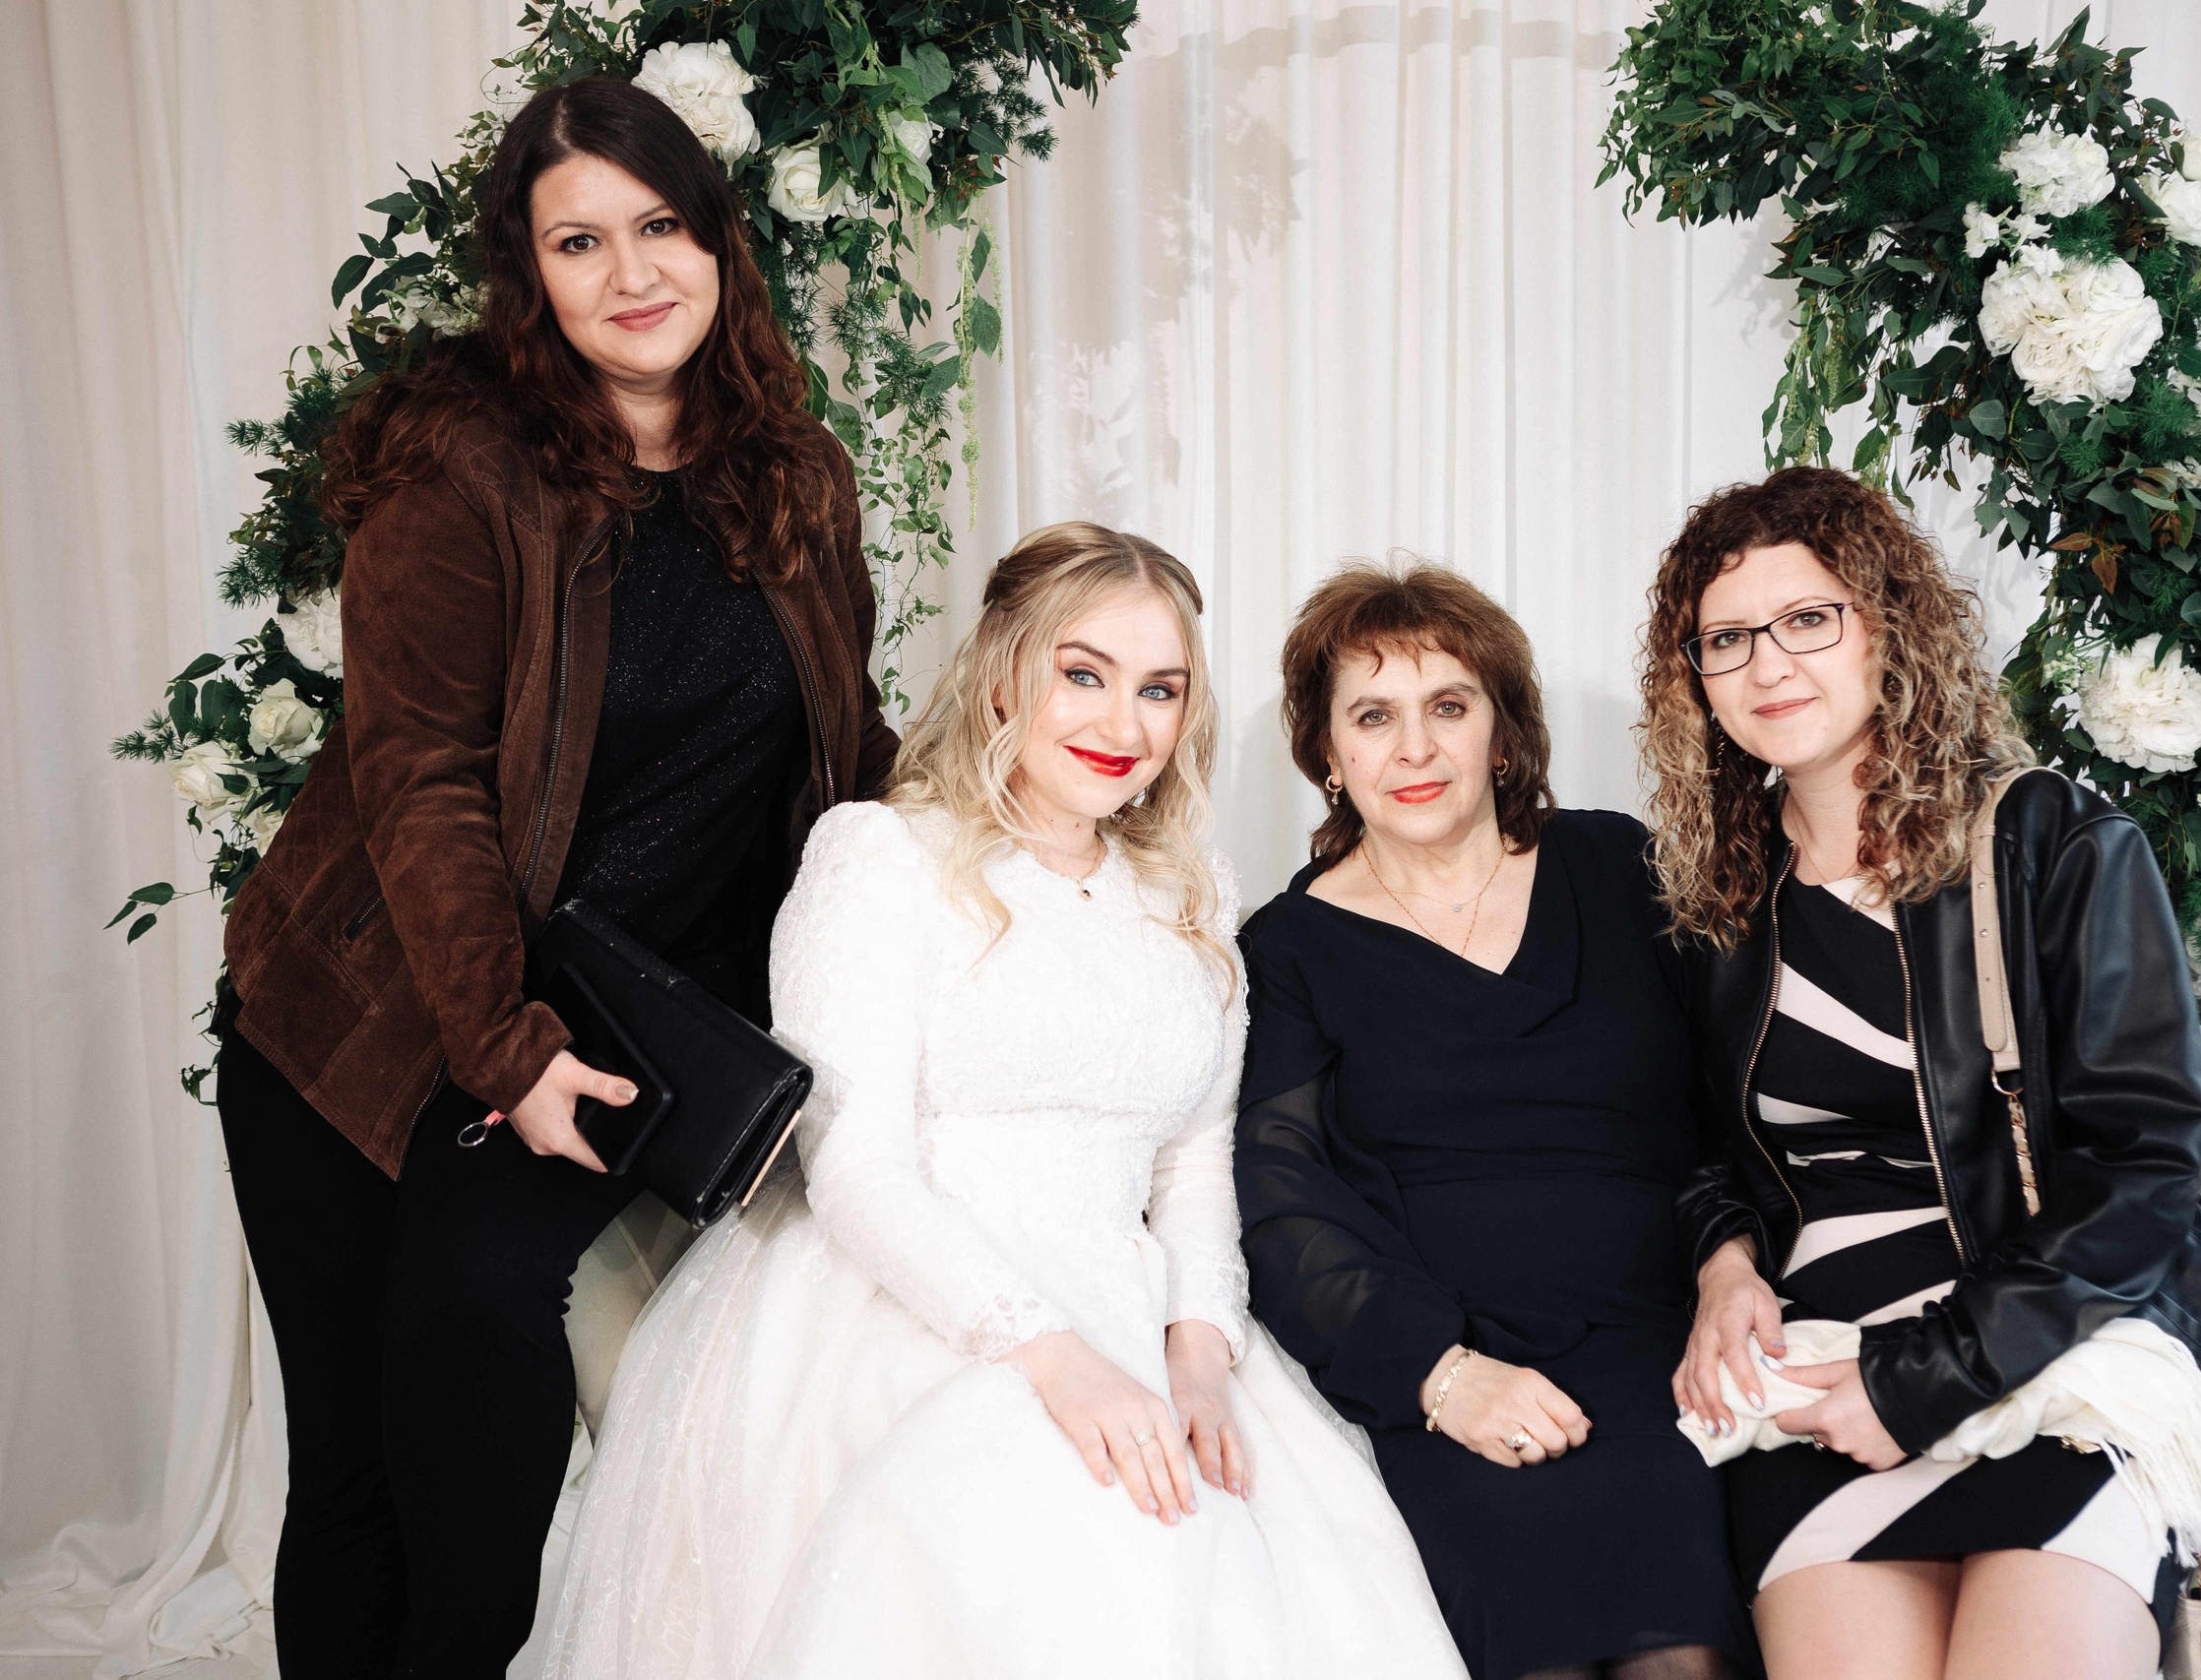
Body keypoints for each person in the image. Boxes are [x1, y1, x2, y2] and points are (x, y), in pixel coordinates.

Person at [210, 77, 898, 1675]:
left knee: (485, 1444)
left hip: (612, 1024)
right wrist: (504, 1046)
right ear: (531, 275)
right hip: (371, 1020)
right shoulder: (463, 470)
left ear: (719, 241)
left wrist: (992, 859)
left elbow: (842, 744)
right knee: (362, 1472)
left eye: (660, 225)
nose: (631, 271)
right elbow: (424, 782)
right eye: (580, 241)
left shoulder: (796, 475)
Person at [541, 523, 1468, 1680]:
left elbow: (1192, 1161)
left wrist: (1199, 1353)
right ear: (1001, 675)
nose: (1123, 727)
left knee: (1276, 1550)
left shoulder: (1189, 889)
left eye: (1159, 690)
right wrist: (1052, 1357)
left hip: (1125, 1286)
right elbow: (853, 1165)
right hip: (903, 1290)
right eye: (1083, 675)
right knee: (1067, 1537)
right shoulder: (880, 856)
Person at [1640, 467, 2201, 1680]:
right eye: (1726, 638)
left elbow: (2143, 1170)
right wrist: (1724, 1256)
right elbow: (1686, 1143)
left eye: (1807, 619)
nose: (1767, 665)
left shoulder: (2055, 842)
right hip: (1820, 1363)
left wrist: (1928, 1375)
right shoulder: (1714, 903)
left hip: (2049, 1343)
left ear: (1885, 624)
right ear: (1694, 677)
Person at [1235, 560, 1756, 1680]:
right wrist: (1439, 1376)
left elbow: (1737, 1107)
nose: (1412, 749)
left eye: (1448, 707)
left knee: (1682, 1650)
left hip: (1654, 1347)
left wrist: (1729, 1265)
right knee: (1535, 1646)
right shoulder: (1285, 950)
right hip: (1444, 1358)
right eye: (1372, 716)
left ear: (1503, 734)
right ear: (1327, 754)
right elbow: (1280, 1205)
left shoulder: (1623, 868)